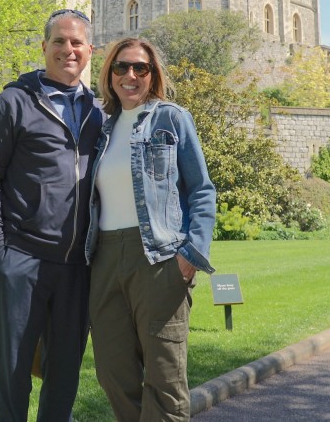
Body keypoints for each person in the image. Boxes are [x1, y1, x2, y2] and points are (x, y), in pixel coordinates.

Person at [0, 9, 104, 422]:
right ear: (44, 47)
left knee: (63, 376)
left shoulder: (100, 112)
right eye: (59, 42)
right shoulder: (13, 102)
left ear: (89, 51)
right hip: (21, 259)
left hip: (76, 266)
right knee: (13, 374)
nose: (68, 50)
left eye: (76, 43)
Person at [85, 37, 217, 421]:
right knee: (113, 373)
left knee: (164, 379)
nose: (130, 75)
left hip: (158, 259)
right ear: (109, 74)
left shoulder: (171, 118)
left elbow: (202, 191)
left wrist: (190, 255)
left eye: (139, 68)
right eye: (121, 67)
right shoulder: (101, 128)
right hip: (105, 260)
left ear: (152, 74)